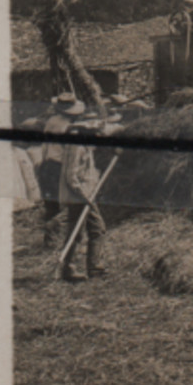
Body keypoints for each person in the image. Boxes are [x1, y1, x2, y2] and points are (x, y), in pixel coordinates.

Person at [58, 113, 114, 282]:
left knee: (89, 230)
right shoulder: (77, 147)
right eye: (95, 131)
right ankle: (79, 269)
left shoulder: (85, 145)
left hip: (86, 195)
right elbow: (71, 176)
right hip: (79, 197)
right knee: (89, 231)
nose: (97, 135)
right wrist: (85, 196)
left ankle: (84, 268)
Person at [37, 94, 86, 246]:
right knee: (69, 202)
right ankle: (69, 236)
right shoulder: (68, 127)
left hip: (46, 164)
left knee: (51, 203)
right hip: (59, 166)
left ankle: (49, 240)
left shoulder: (51, 121)